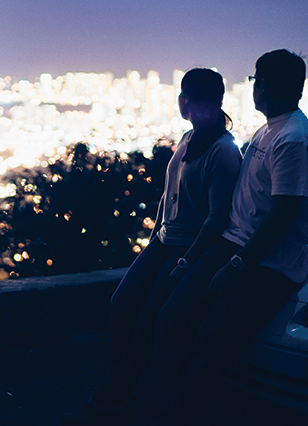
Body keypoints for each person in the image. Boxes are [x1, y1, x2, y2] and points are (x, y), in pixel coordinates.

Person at [140, 49, 308, 425]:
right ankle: (158, 405)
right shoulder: (271, 128)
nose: (253, 87)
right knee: (173, 318)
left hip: (264, 262)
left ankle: (175, 412)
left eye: (256, 80)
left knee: (213, 341)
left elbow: (283, 214)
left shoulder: (293, 138)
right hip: (231, 244)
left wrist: (238, 265)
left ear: (268, 86)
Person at [63, 68, 242, 426]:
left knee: (150, 323)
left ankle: (110, 396)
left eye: (187, 98)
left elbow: (217, 218)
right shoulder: (189, 139)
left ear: (188, 101)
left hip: (185, 249)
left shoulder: (223, 153)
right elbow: (168, 196)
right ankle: (122, 387)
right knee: (122, 303)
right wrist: (153, 240)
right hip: (162, 243)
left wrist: (187, 262)